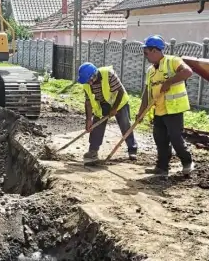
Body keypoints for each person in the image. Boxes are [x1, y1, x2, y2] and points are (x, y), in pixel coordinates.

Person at [138, 35, 195, 177]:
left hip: (174, 109)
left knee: (175, 138)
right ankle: (162, 168)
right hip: (159, 110)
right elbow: (147, 92)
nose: (145, 55)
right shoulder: (151, 71)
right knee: (160, 139)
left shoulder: (173, 61)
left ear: (155, 51)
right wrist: (141, 112)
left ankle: (187, 162)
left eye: (146, 52)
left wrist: (169, 82)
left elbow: (188, 72)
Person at [77, 62, 138, 165]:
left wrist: (114, 108)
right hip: (103, 105)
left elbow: (120, 91)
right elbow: (88, 102)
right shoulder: (87, 85)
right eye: (87, 81)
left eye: (89, 80)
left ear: (94, 74)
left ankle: (132, 150)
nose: (89, 83)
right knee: (97, 126)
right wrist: (88, 120)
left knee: (125, 124)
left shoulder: (108, 74)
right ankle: (93, 151)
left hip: (119, 102)